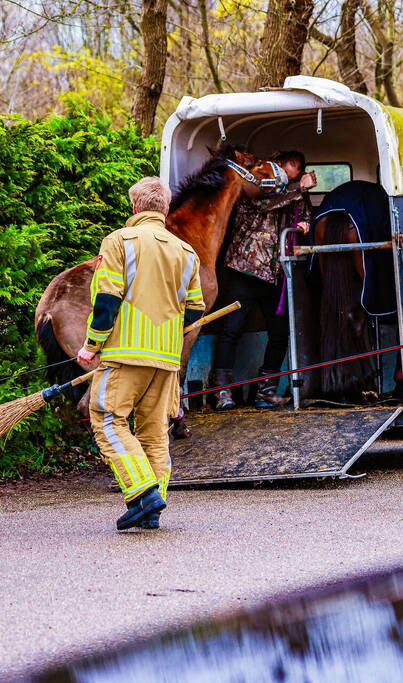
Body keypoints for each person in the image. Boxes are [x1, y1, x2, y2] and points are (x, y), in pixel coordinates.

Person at [76, 177, 205, 531]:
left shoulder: (119, 240)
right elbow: (195, 311)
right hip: (166, 361)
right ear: (164, 210)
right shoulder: (187, 252)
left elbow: (107, 299)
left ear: (135, 208)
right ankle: (151, 512)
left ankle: (143, 493)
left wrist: (91, 345)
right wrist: (165, 335)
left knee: (106, 420)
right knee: (154, 433)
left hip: (124, 355)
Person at [212, 150, 316, 410]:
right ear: (279, 166)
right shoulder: (257, 186)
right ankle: (221, 391)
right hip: (244, 269)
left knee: (280, 333)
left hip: (274, 273)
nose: (292, 180)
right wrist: (297, 190)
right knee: (231, 329)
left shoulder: (294, 193)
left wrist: (305, 223)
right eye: (290, 173)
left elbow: (305, 214)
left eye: (297, 176)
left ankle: (266, 391)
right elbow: (263, 204)